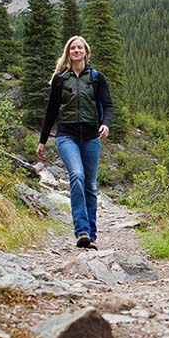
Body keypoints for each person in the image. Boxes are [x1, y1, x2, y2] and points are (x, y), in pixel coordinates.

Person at [36, 35, 113, 249]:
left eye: (80, 48)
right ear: (68, 53)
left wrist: (105, 124)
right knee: (77, 176)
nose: (76, 51)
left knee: (90, 185)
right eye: (73, 48)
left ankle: (92, 235)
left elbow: (108, 105)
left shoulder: (97, 78)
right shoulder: (61, 80)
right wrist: (42, 141)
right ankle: (81, 231)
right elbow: (51, 112)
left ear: (86, 52)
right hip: (66, 136)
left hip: (91, 137)